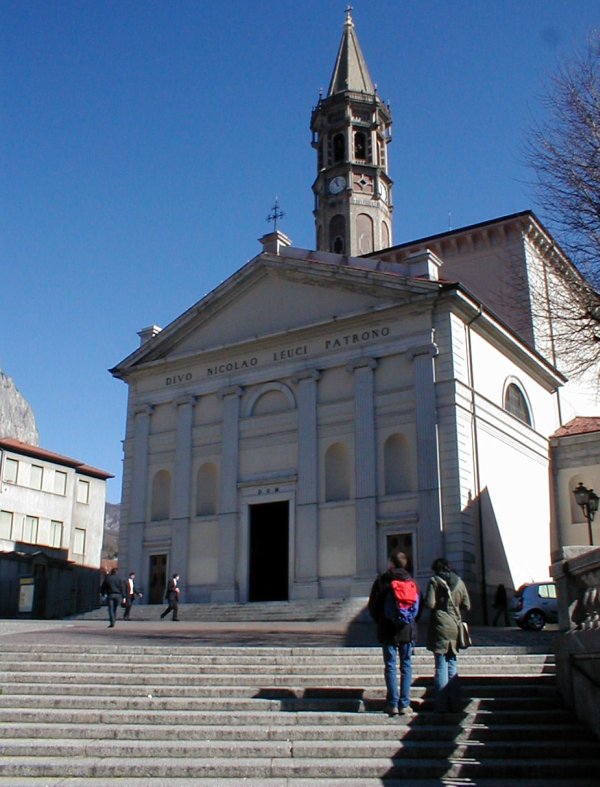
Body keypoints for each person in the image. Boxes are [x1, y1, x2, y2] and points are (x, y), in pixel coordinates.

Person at [368, 549, 418, 717]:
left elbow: (373, 606)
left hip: (387, 627)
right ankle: (405, 703)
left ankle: (392, 703)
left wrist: (380, 621)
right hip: (406, 629)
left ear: (391, 563)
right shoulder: (411, 582)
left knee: (390, 665)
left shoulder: (382, 581)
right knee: (406, 665)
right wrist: (409, 621)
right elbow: (418, 605)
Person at [424, 557, 471, 713]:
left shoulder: (434, 581)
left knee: (441, 665)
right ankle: (455, 703)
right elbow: (467, 605)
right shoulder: (460, 582)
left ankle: (441, 704)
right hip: (455, 625)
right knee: (452, 664)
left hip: (440, 625)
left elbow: (430, 604)